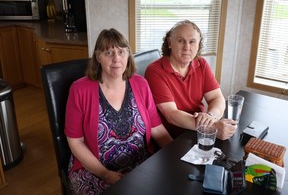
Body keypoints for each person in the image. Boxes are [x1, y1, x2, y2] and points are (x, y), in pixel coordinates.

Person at [65, 28, 173, 195]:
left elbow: (156, 128)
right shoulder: (79, 90)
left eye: (121, 52)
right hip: (95, 171)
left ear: (128, 56)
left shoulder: (140, 84)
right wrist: (105, 174)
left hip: (141, 166)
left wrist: (177, 155)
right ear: (97, 56)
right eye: (108, 52)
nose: (116, 59)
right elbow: (75, 142)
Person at [145, 20, 237, 140]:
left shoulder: (201, 64)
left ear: (198, 45)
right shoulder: (155, 71)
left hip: (197, 132)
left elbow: (216, 98)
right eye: (180, 41)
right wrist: (212, 128)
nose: (187, 47)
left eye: (192, 41)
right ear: (169, 43)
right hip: (173, 138)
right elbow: (171, 114)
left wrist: (211, 116)